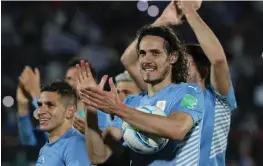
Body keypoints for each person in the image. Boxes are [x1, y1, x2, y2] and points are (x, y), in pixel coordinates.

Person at [120, 1, 237, 166]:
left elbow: (218, 60)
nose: (176, 67)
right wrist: (164, 20)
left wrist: (189, 12)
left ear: (202, 73)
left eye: (185, 64)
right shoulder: (167, 94)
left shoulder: (218, 100)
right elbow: (129, 60)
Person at [78, 26, 205, 166]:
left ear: (172, 57)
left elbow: (177, 129)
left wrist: (118, 109)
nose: (146, 60)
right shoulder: (131, 102)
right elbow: (98, 156)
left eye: (155, 53)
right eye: (143, 53)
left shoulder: (189, 91)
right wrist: (90, 105)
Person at [16, 58, 111, 146]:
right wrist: (22, 106)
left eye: (76, 78)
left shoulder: (99, 112)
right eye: (67, 79)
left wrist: (36, 95)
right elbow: (29, 141)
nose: (68, 83)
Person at [35, 80, 91, 166]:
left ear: (69, 111)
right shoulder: (44, 149)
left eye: (50, 105)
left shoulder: (75, 144)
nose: (40, 112)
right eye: (40, 105)